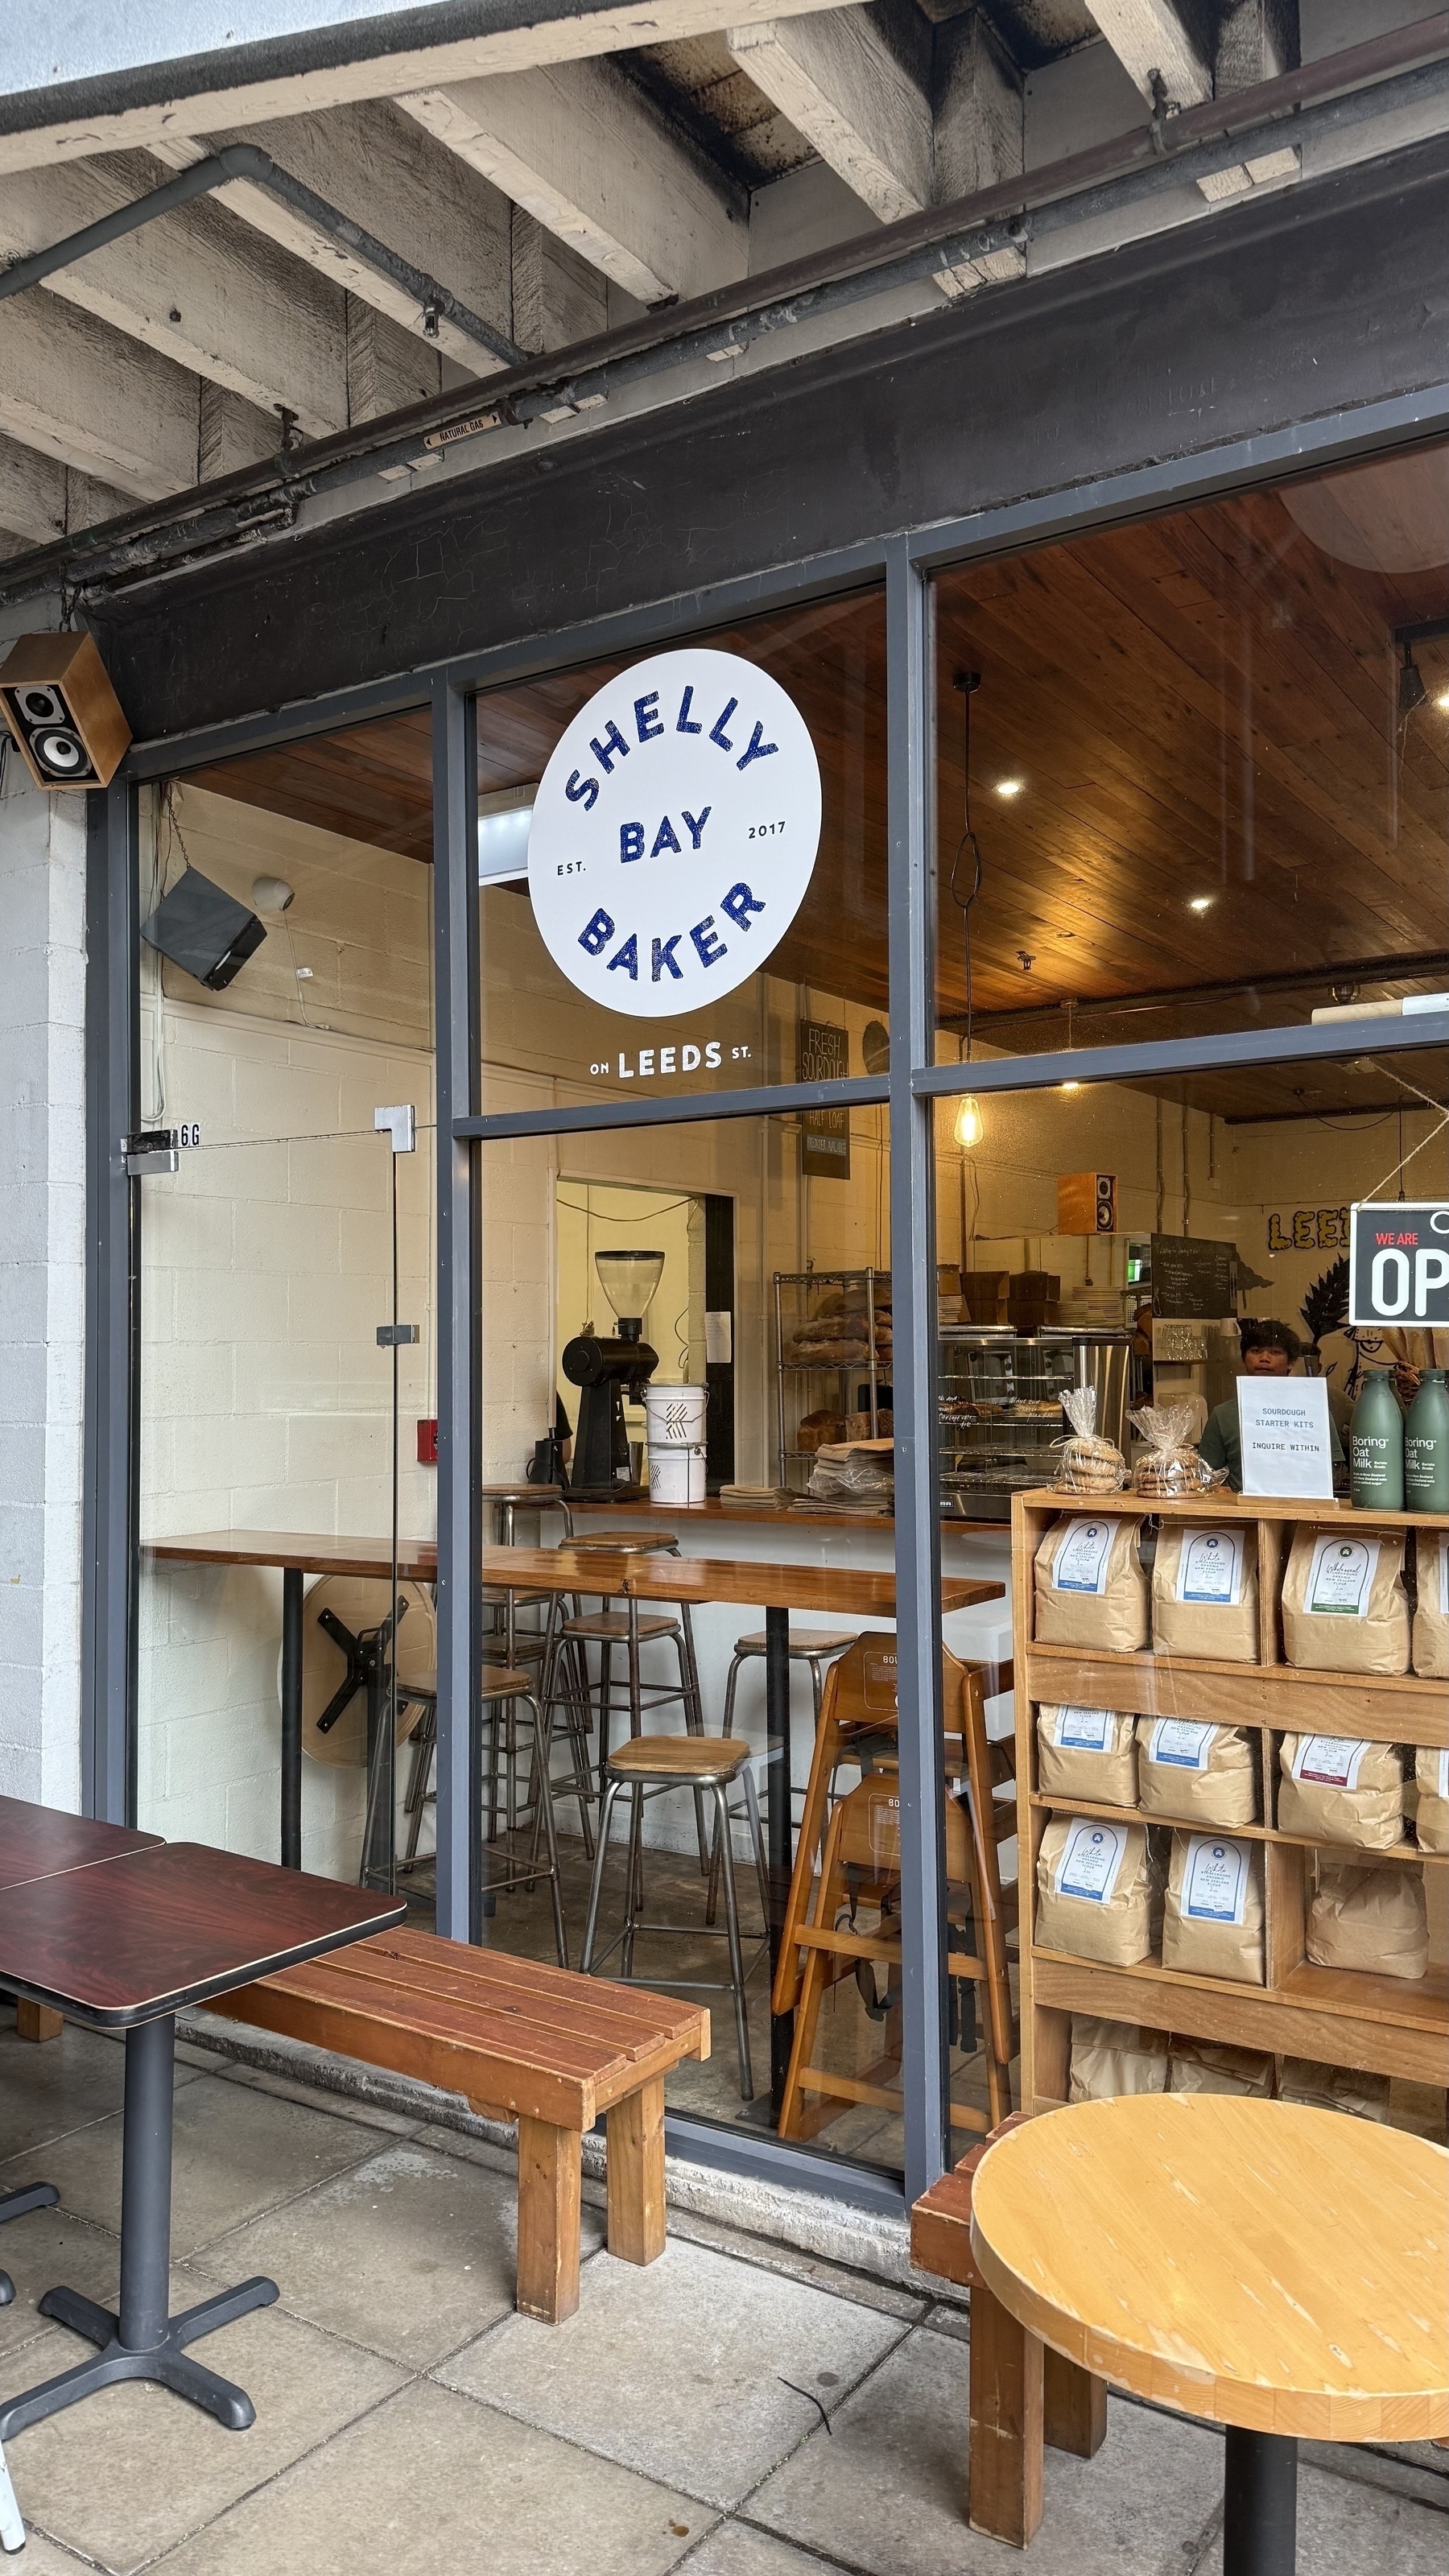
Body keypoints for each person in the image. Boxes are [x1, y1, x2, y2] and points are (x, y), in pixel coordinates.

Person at [1197, 1320, 1344, 1493]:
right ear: (1243, 1359)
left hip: (1303, 1509)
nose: (1264, 1358)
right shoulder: (1223, 1415)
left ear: (1291, 1362)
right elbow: (1205, 1475)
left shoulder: (1312, 1411)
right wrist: (1217, 1489)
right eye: (1256, 1351)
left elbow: (1335, 1469)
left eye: (1275, 1352)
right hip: (1243, 1513)